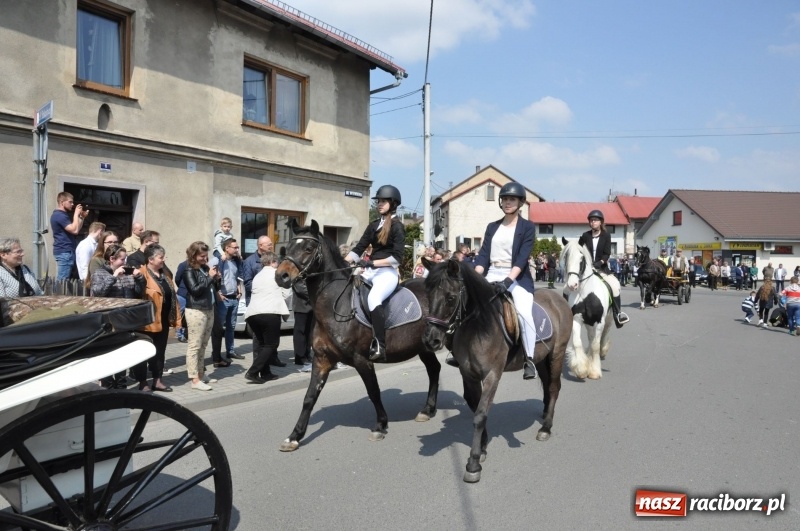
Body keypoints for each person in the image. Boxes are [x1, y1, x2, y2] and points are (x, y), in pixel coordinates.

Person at [472, 182, 538, 379]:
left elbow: (522, 258)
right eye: (505, 199)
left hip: (516, 276)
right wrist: (476, 276)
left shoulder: (527, 227)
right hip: (492, 272)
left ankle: (529, 359)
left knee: (524, 313)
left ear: (520, 202)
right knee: (468, 304)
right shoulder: (492, 227)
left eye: (512, 199)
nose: (507, 202)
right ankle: (460, 350)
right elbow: (484, 255)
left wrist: (508, 281)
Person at [344, 185, 405, 362]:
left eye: (383, 201)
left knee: (373, 298)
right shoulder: (373, 226)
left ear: (393, 204)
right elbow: (358, 249)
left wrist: (372, 262)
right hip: (371, 271)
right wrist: (343, 263)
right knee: (349, 292)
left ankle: (380, 344)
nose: (379, 204)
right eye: (378, 201)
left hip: (387, 273)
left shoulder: (398, 227)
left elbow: (397, 258)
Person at [89, 244, 145, 389]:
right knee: (107, 354)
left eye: (125, 259)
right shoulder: (100, 273)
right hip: (107, 321)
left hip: (124, 320)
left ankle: (121, 385)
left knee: (122, 353)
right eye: (122, 259)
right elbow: (98, 293)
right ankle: (106, 384)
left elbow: (138, 293)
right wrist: (113, 277)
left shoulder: (127, 273)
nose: (124, 262)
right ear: (112, 259)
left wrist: (139, 278)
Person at [138, 244, 181, 392]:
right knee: (143, 352)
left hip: (163, 320)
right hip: (146, 321)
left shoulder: (165, 275)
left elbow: (172, 296)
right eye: (160, 257)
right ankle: (142, 382)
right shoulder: (142, 274)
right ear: (150, 259)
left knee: (160, 351)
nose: (164, 259)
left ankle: (157, 380)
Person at [578, 209, 630, 328]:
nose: (593, 222)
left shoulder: (606, 235)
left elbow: (607, 253)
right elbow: (578, 249)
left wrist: (600, 262)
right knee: (570, 286)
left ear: (601, 222)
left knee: (615, 286)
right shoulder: (585, 235)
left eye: (595, 220)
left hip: (601, 269)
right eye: (591, 220)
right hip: (586, 269)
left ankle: (618, 314)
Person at [243, 252, 289, 383]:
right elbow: (286, 294)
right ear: (273, 262)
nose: (278, 264)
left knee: (263, 344)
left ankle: (266, 373)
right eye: (277, 262)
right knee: (271, 344)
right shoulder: (277, 273)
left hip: (252, 314)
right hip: (269, 312)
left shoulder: (258, 275)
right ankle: (252, 372)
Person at [183, 241, 221, 391]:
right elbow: (195, 290)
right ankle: (194, 379)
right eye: (202, 256)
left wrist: (217, 279)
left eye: (206, 255)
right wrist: (210, 278)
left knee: (204, 344)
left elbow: (212, 288)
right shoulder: (188, 270)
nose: (205, 258)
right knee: (194, 345)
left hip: (209, 308)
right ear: (194, 255)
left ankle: (201, 373)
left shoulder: (205, 268)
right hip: (196, 310)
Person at [210, 238, 245, 365]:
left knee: (231, 327)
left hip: (234, 298)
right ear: (227, 248)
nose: (237, 249)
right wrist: (218, 293)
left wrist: (239, 291)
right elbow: (210, 277)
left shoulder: (236, 261)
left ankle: (230, 351)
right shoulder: (217, 260)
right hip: (222, 299)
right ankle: (216, 354)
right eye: (235, 247)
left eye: (237, 247)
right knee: (218, 329)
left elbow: (237, 278)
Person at [50, 191, 87, 280]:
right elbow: (74, 230)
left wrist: (81, 217)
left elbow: (76, 230)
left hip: (67, 251)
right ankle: (58, 290)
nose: (72, 204)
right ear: (62, 202)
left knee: (67, 281)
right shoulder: (59, 215)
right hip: (64, 251)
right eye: (70, 202)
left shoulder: (62, 215)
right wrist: (76, 214)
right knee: (62, 281)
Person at [242, 235, 274, 304]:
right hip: (255, 300)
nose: (271, 247)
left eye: (271, 244)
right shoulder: (249, 261)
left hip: (271, 300)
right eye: (269, 245)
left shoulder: (273, 260)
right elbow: (248, 283)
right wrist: (264, 290)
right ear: (260, 246)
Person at [292, 278, 314, 367]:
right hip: (301, 307)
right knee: (300, 332)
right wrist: (315, 294)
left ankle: (307, 354)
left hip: (311, 307)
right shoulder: (298, 275)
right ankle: (300, 357)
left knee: (308, 332)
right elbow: (301, 289)